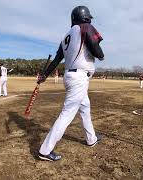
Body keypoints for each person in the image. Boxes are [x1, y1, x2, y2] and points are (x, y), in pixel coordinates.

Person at [37, 6, 104, 161]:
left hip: (71, 77)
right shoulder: (85, 27)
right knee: (67, 113)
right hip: (79, 78)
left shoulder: (66, 36)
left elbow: (56, 60)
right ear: (85, 17)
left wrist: (45, 76)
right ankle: (45, 150)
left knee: (85, 107)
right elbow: (95, 47)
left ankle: (91, 138)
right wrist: (101, 56)